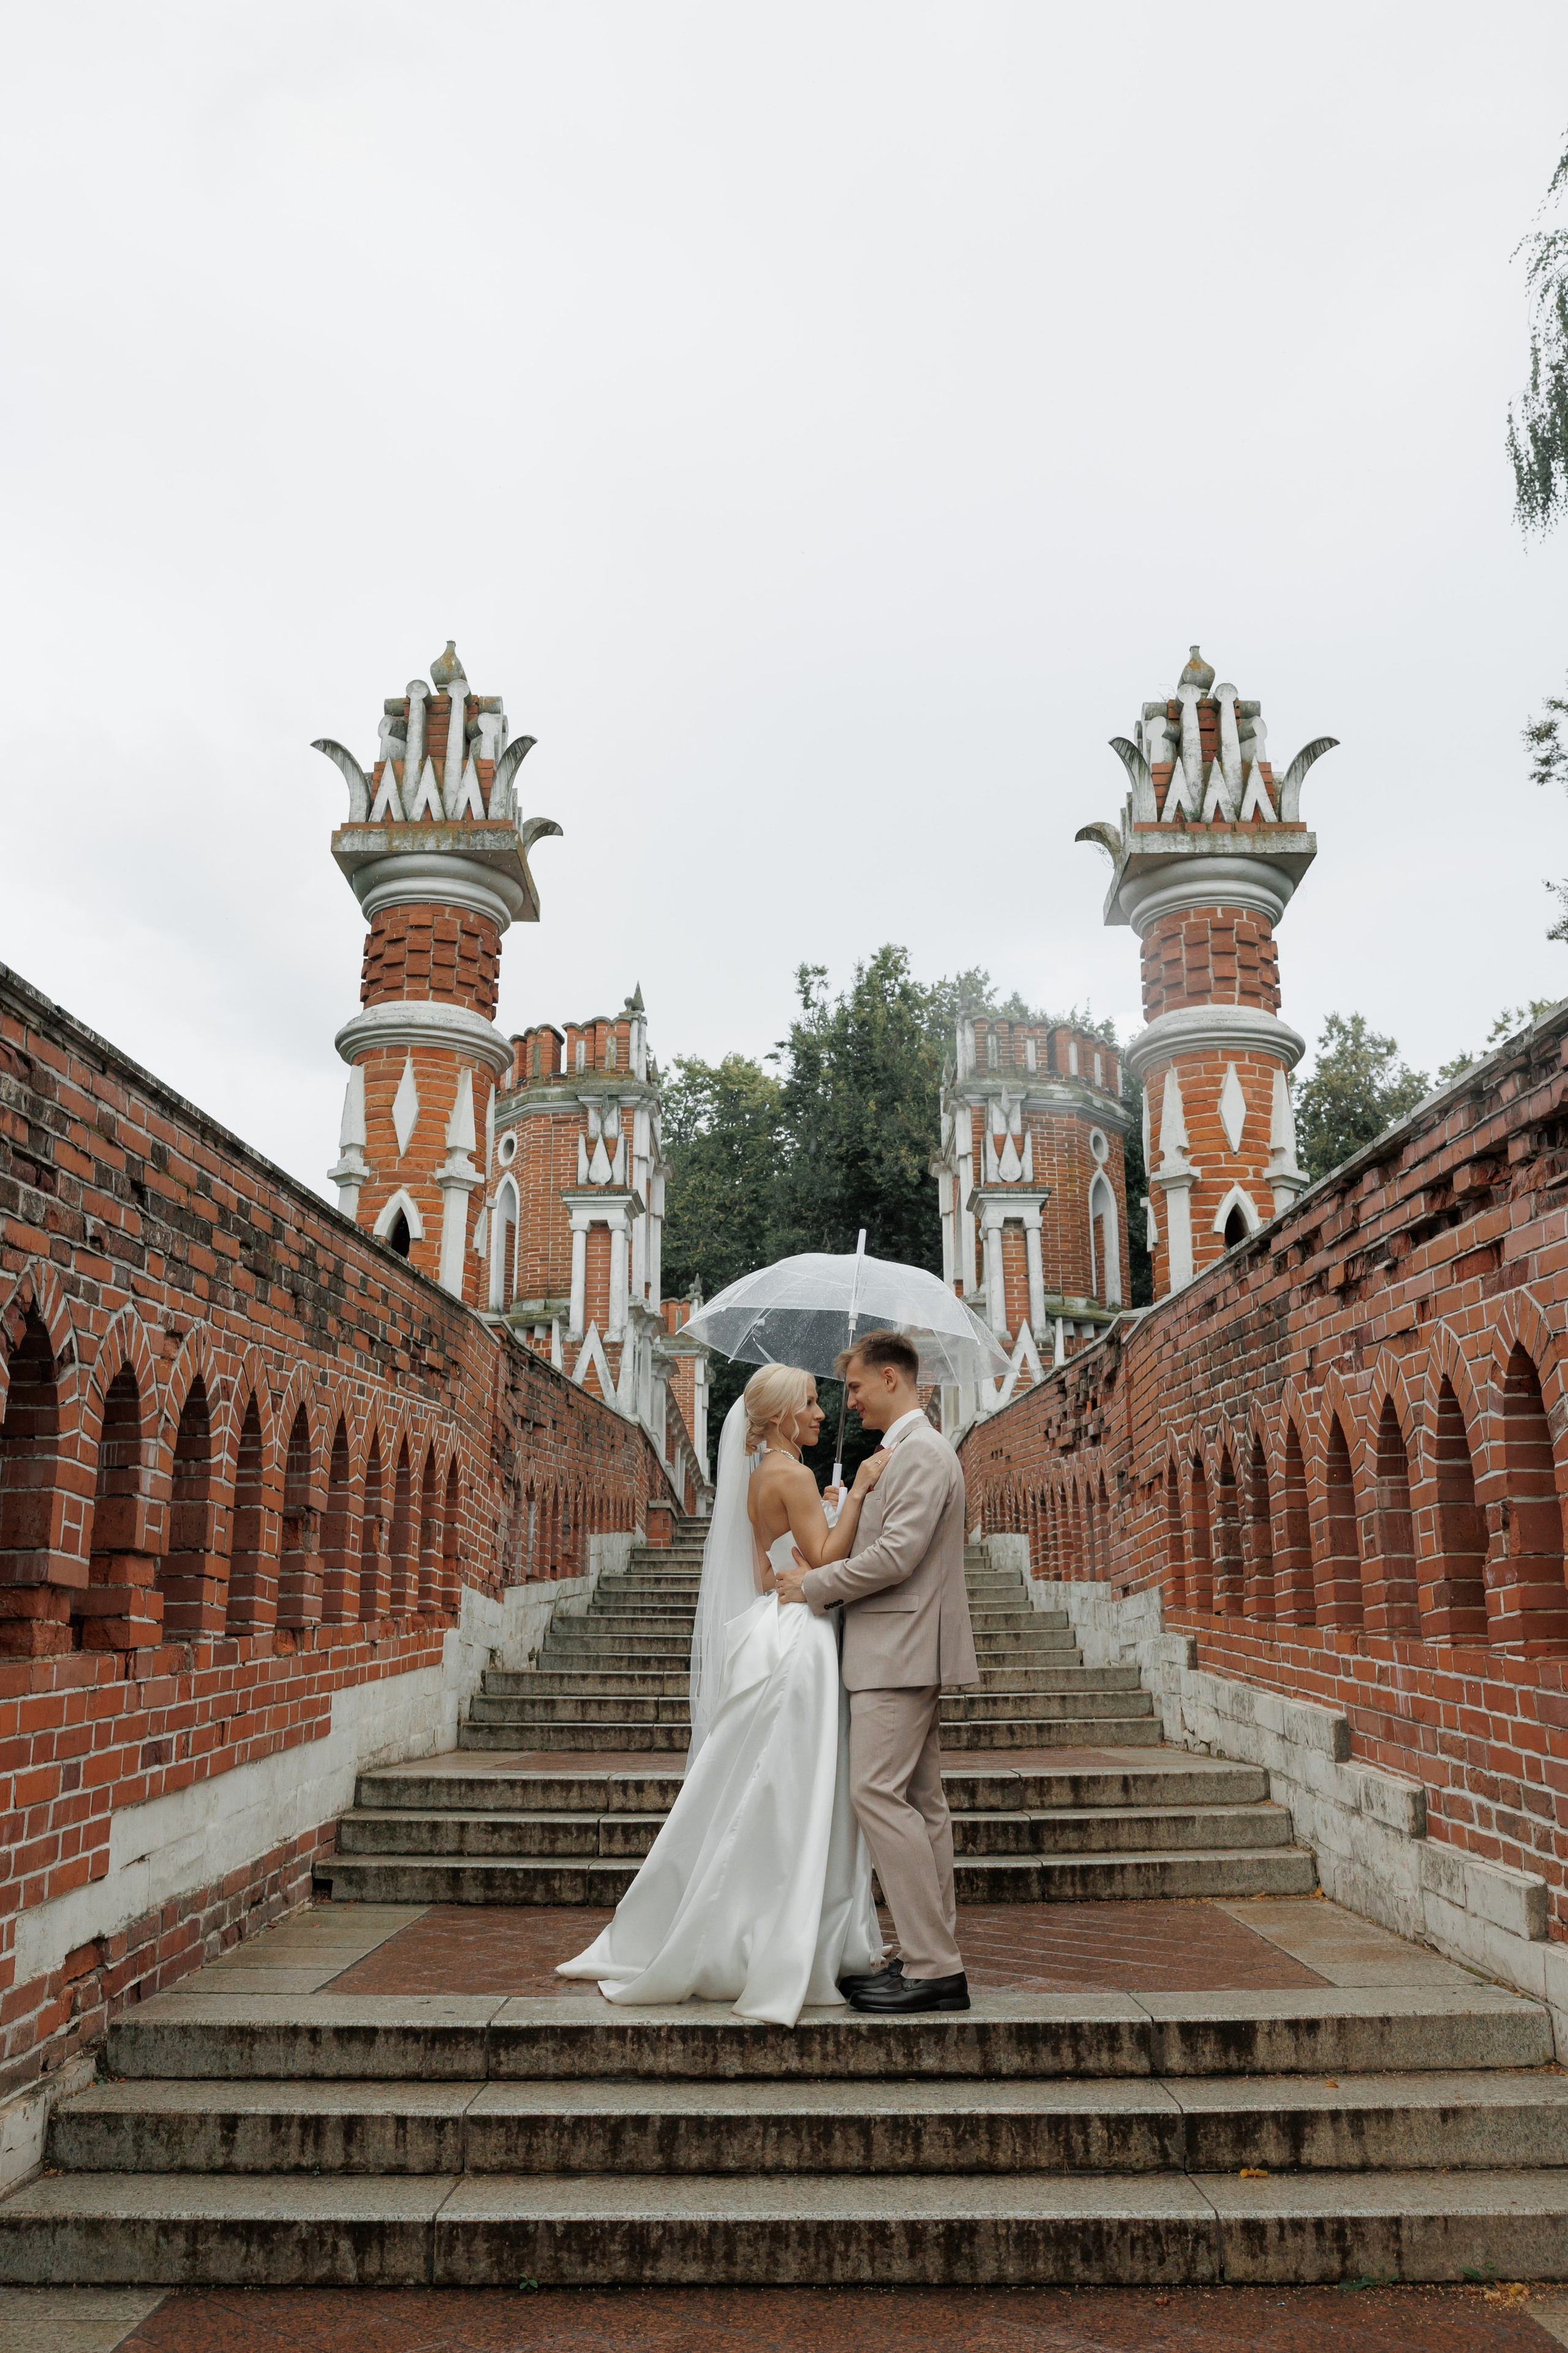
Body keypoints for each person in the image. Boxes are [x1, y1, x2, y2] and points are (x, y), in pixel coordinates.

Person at [557, 1362, 889, 2026]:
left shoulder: (763, 1476)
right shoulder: (790, 1474)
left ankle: (750, 1916)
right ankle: (789, 1928)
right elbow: (824, 1560)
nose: (822, 1413)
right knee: (797, 1785)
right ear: (777, 1418)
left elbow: (764, 1569)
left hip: (774, 1623)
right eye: (810, 1403)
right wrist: (855, 1495)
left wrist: (822, 1508)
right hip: (803, 1637)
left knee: (770, 1781)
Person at [775, 1328, 977, 2015]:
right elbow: (890, 1542)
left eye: (857, 1386)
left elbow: (897, 1558)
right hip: (901, 1645)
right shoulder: (905, 1453)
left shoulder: (923, 1453)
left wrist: (815, 1584)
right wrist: (846, 1512)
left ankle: (934, 1967)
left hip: (899, 1649)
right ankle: (929, 1955)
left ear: (891, 1378)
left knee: (876, 1795)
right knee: (920, 1804)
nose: (850, 1400)